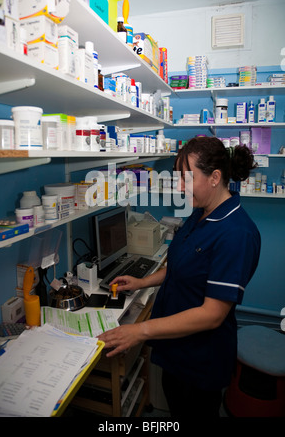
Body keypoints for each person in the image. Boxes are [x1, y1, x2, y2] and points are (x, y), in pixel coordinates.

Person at [98, 136, 261, 418]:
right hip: (176, 350)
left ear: (215, 177)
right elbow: (181, 267)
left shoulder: (236, 233)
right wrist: (142, 282)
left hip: (200, 361)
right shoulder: (201, 213)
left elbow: (212, 315)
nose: (181, 188)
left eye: (187, 179)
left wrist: (139, 330)